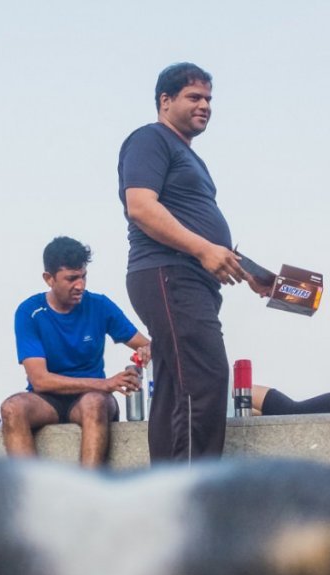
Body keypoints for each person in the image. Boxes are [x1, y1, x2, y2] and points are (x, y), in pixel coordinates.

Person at [118, 62, 269, 463]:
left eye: (208, 99)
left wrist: (249, 270)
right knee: (203, 379)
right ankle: (192, 492)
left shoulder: (190, 157)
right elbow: (141, 207)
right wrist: (203, 250)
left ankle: (168, 491)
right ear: (165, 101)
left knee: (177, 385)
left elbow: (199, 224)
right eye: (194, 97)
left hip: (189, 279)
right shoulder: (150, 140)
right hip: (169, 273)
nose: (205, 105)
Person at [1, 237, 151, 467]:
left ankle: (86, 495)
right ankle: (32, 493)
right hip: (47, 401)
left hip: (91, 401)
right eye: (71, 278)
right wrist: (106, 383)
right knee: (12, 408)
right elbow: (40, 380)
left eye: (83, 276)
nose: (80, 285)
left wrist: (147, 352)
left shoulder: (99, 305)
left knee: (94, 403)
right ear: (48, 279)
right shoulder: (30, 311)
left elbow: (145, 344)